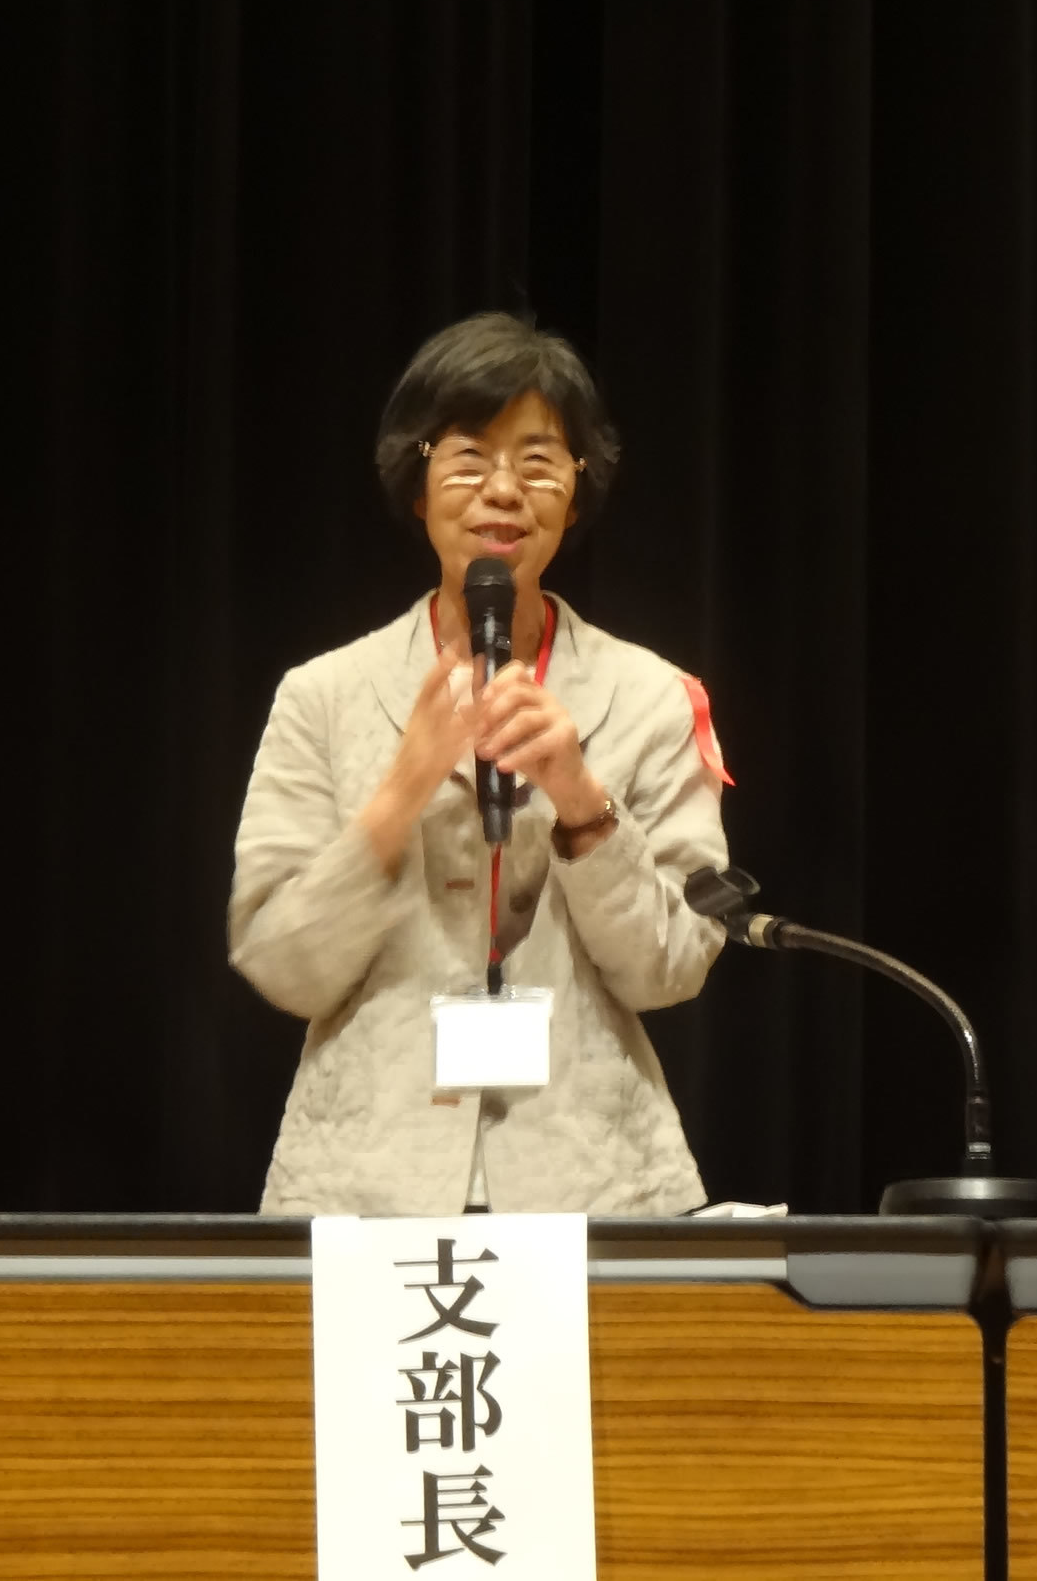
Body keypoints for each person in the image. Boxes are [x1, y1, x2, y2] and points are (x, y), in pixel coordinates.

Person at [230, 312, 731, 1216]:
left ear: (575, 495)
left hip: (595, 1181)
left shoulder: (651, 695)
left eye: (538, 463)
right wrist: (400, 793)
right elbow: (279, 962)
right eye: (467, 458)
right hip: (366, 1182)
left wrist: (582, 802)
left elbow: (672, 968)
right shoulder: (325, 695)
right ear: (417, 488)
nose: (503, 489)